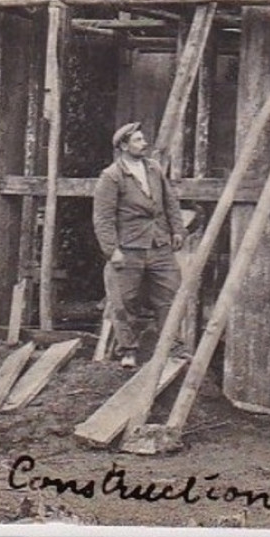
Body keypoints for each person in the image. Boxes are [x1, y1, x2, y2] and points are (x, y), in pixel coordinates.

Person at [91, 122, 185, 369]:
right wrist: (112, 250)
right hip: (129, 247)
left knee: (170, 295)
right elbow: (103, 218)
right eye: (138, 140)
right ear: (123, 146)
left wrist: (177, 230)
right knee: (124, 301)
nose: (144, 144)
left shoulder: (153, 169)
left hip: (159, 244)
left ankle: (170, 347)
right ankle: (128, 350)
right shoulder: (111, 176)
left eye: (144, 139)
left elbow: (170, 202)